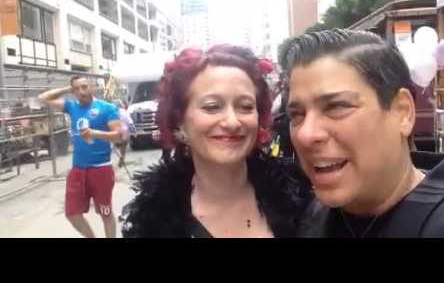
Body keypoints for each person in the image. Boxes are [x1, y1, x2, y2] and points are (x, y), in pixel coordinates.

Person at [278, 28, 444, 238]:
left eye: (336, 107)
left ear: (403, 112)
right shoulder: (313, 216)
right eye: (297, 114)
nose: (306, 134)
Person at [121, 44, 312, 238]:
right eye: (212, 107)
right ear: (179, 121)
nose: (232, 121)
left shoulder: (301, 194)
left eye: (245, 106)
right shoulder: (153, 220)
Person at [38, 76, 123, 238]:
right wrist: (67, 89)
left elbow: (119, 136)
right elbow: (42, 98)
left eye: (84, 87)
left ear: (91, 87)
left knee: (105, 212)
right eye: (77, 89)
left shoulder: (107, 108)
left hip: (101, 169)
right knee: (72, 213)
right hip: (78, 170)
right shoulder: (71, 106)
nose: (81, 91)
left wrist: (95, 133)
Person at [112, 99, 134, 168]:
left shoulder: (112, 112)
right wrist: (134, 130)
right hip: (125, 132)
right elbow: (130, 121)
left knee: (115, 146)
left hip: (116, 132)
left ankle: (121, 157)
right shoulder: (124, 112)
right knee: (123, 147)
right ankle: (122, 157)